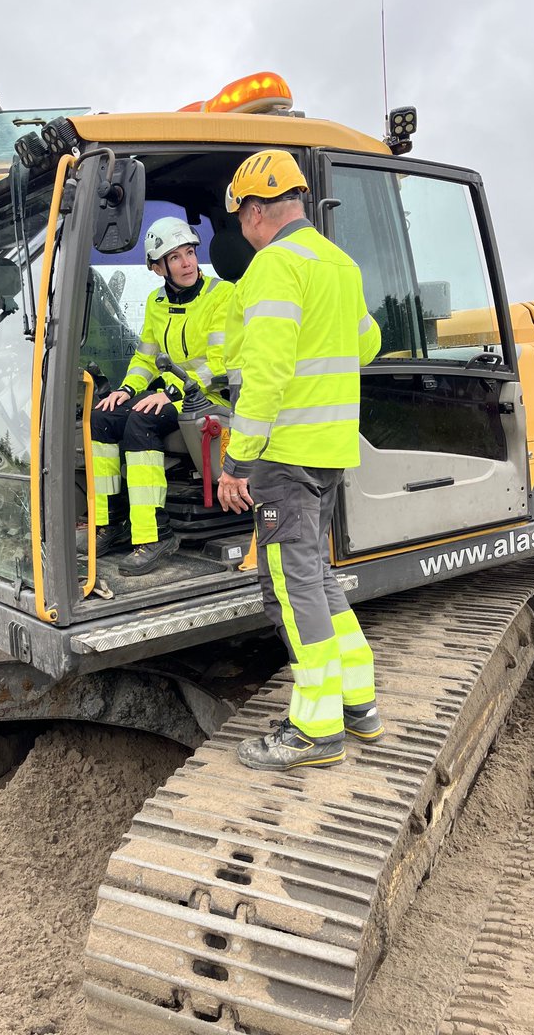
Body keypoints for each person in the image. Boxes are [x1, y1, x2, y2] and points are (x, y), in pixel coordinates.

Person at [217, 150, 383, 770]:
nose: (241, 229)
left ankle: (315, 730)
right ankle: (359, 704)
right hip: (330, 454)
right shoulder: (338, 264)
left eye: (241, 218)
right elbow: (367, 341)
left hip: (284, 457)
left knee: (290, 589)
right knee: (315, 578)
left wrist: (237, 458)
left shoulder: (274, 267)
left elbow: (265, 374)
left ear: (259, 210)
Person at [82, 215, 234, 576]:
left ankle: (154, 534)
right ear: (157, 267)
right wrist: (127, 389)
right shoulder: (156, 301)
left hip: (212, 397)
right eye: (176, 257)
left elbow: (222, 363)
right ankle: (112, 522)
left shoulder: (222, 295)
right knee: (102, 416)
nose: (187, 263)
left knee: (141, 420)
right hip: (171, 395)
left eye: (190, 253)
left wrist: (170, 392)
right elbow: (145, 358)